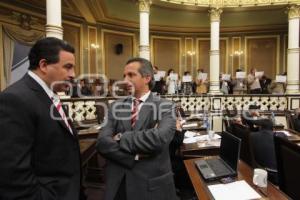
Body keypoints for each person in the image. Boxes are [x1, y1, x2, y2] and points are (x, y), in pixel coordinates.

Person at [0, 37, 84, 200]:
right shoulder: (15, 99)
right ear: (44, 65)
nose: (73, 74)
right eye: (68, 67)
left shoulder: (50, 94)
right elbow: (12, 172)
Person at [96, 58, 178, 200]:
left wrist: (120, 137)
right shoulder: (115, 106)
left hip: (152, 185)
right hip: (119, 183)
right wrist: (133, 156)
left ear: (147, 78)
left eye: (131, 75)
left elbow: (159, 139)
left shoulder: (166, 106)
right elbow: (102, 142)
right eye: (124, 76)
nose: (125, 80)